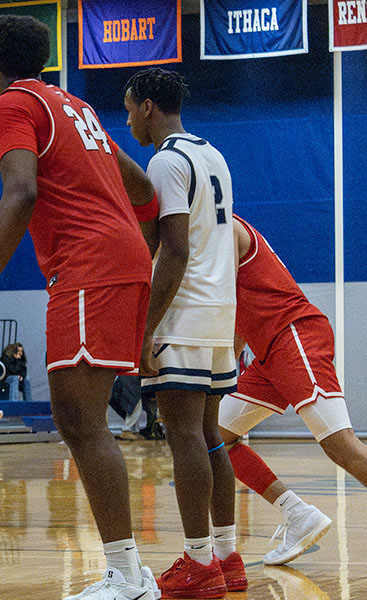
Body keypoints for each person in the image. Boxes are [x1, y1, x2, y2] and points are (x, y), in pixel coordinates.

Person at [0, 15, 159, 599]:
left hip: (88, 264)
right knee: (83, 420)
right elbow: (143, 188)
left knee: (79, 420)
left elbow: (20, 190)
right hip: (117, 258)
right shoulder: (76, 105)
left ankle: (126, 576)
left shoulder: (9, 104)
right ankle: (130, 574)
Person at [217, 215, 367, 572]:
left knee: (341, 445)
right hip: (269, 351)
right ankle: (297, 515)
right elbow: (238, 314)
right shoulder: (214, 237)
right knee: (216, 437)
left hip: (293, 336)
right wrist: (225, 366)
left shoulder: (226, 230)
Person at [122, 67, 241, 598]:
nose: (127, 121)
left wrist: (146, 328)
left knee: (185, 436)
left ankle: (198, 562)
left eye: (129, 109)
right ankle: (226, 554)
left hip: (184, 310)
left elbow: (173, 249)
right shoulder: (213, 154)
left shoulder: (166, 159)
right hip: (220, 310)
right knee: (210, 436)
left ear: (148, 107)